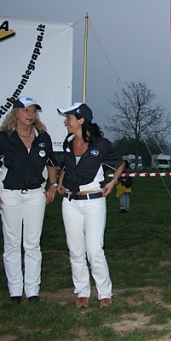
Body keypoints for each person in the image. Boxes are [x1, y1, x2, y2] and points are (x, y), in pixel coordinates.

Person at [0, 96, 58, 303]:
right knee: (12, 243)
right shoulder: (3, 138)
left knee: (32, 244)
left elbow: (52, 163)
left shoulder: (43, 138)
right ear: (15, 113)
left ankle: (32, 291)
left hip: (35, 195)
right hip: (10, 195)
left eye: (33, 111)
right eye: (26, 110)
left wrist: (52, 186)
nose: (30, 114)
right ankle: (15, 290)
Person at [55, 103, 125, 310]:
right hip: (70, 203)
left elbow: (120, 163)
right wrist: (60, 181)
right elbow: (67, 165)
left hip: (93, 201)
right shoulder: (68, 143)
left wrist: (113, 181)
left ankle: (104, 293)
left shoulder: (100, 144)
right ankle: (82, 293)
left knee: (94, 250)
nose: (65, 122)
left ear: (81, 120)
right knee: (75, 250)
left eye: (68, 118)